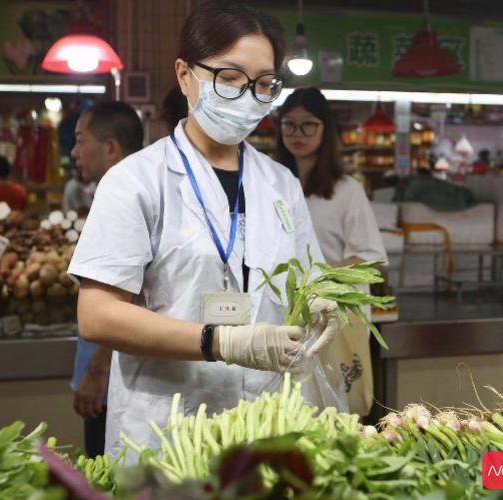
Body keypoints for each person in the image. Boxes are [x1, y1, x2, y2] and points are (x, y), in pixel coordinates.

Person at [67, 0, 344, 461]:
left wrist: (320, 300)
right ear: (184, 75)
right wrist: (220, 341)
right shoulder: (137, 181)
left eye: (263, 84)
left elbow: (305, 278)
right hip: (167, 430)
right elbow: (97, 315)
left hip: (268, 421)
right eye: (230, 78)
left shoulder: (280, 183)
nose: (248, 95)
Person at [275, 87, 387, 416]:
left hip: (332, 321)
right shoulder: (272, 184)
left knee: (333, 412)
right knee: (287, 412)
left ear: (326, 130)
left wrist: (318, 278)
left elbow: (372, 262)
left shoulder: (346, 190)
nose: (297, 134)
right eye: (289, 125)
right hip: (284, 321)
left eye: (308, 125)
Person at [67, 100, 144, 458]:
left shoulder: (129, 197)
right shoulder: (115, 192)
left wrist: (98, 372)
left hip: (116, 375)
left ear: (111, 147)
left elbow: (124, 295)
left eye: (81, 140)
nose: (74, 150)